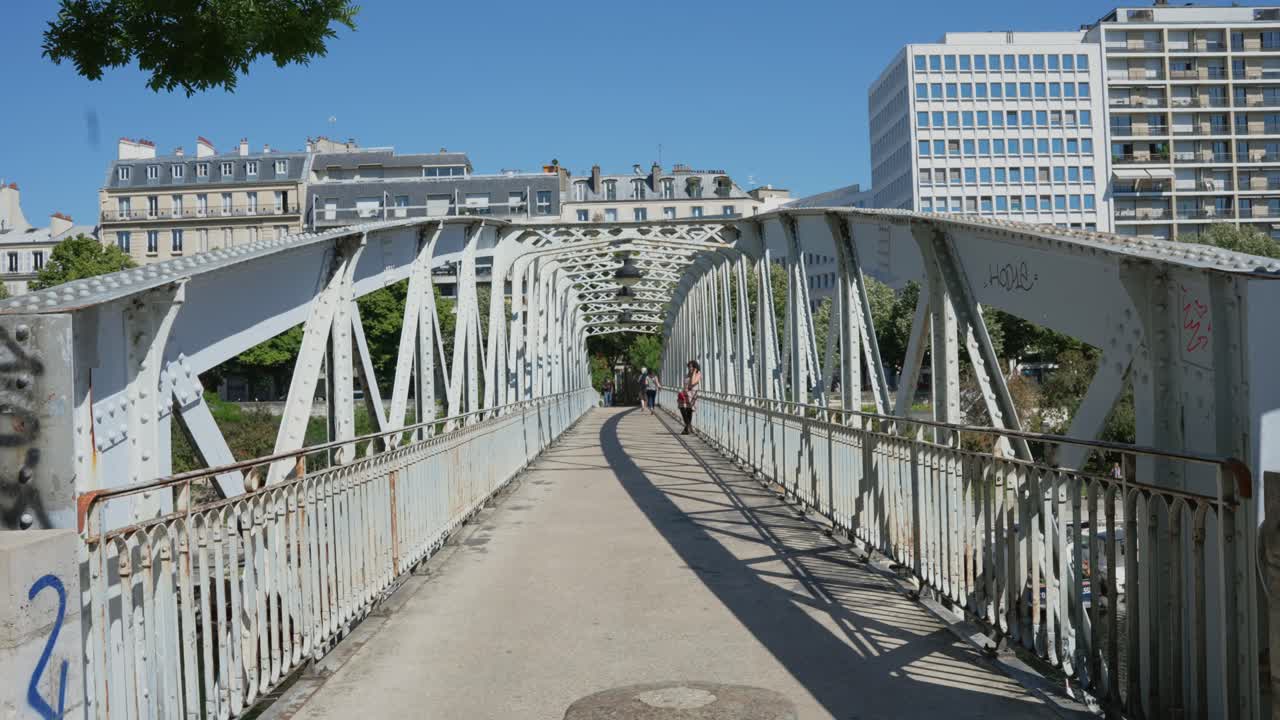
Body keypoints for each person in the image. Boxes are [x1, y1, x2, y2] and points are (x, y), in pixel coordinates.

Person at [678, 359, 701, 435]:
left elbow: (693, 382)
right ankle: (688, 426)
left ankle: (686, 429)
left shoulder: (698, 374)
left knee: (689, 411)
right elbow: (685, 384)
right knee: (682, 408)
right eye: (689, 367)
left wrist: (694, 372)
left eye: (691, 367)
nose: (690, 368)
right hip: (685, 394)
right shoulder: (687, 374)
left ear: (695, 367)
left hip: (692, 394)